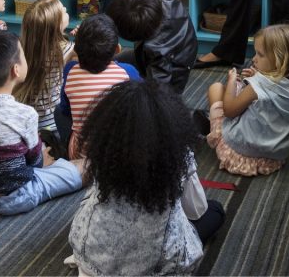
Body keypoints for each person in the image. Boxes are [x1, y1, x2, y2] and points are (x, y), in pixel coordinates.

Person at [67, 80, 223, 275]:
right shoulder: (180, 158)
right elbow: (197, 210)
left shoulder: (106, 152)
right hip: (156, 263)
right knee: (215, 211)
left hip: (93, 257)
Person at [0, 31, 86, 215]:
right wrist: (44, 157)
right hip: (16, 197)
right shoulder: (25, 114)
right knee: (80, 168)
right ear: (15, 70)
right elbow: (36, 163)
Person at [205, 24, 289, 176]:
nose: (254, 59)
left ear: (280, 59)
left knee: (216, 88)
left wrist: (231, 81)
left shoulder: (258, 86)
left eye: (260, 55)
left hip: (239, 152)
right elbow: (271, 95)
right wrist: (257, 76)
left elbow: (229, 111)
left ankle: (212, 125)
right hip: (274, 154)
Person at [53, 14, 140, 159]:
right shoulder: (128, 72)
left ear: (77, 49)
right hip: (119, 155)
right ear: (117, 50)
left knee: (58, 111)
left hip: (80, 156)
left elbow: (66, 109)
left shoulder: (70, 70)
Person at [16, 0, 74, 131]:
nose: (65, 9)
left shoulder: (21, 46)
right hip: (53, 122)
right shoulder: (67, 49)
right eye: (62, 10)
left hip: (25, 120)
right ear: (56, 24)